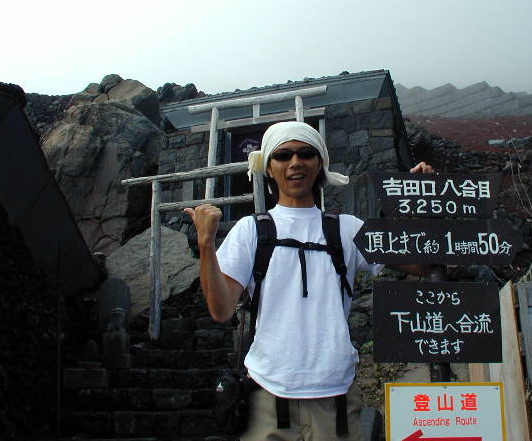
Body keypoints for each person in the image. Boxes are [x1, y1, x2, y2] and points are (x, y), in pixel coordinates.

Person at [184, 121, 432, 440]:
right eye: (283, 155)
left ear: (320, 164)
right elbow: (221, 310)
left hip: (337, 393)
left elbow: (421, 265)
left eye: (305, 153)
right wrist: (206, 245)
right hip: (266, 394)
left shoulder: (347, 229)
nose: (295, 162)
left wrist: (418, 201)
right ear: (269, 168)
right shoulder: (250, 230)